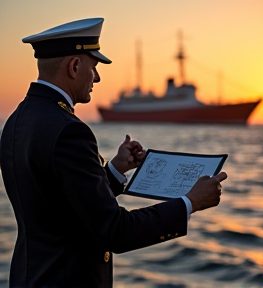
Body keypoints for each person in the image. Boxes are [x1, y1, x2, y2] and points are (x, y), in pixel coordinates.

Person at [0, 18, 227, 288]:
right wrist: (190, 202)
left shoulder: (17, 120)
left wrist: (116, 170)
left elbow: (60, 202)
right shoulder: (70, 131)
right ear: (74, 66)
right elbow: (116, 231)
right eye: (94, 67)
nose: (97, 77)